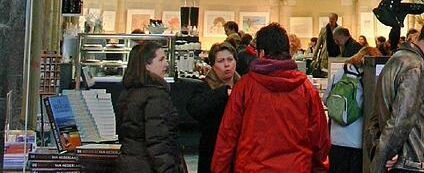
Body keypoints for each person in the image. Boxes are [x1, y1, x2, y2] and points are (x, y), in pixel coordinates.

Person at [211, 23, 330, 172]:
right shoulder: (306, 88)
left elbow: (228, 136)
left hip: (252, 168)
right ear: (288, 51)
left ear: (261, 53)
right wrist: (319, 168)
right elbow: (320, 138)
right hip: (296, 167)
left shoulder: (244, 87)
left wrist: (219, 169)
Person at [368, 17, 424, 173]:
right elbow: (400, 120)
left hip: (403, 161)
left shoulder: (396, 60)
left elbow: (377, 118)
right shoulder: (415, 68)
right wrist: (384, 157)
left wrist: (381, 153)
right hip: (412, 163)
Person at [116, 41, 186, 173]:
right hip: (148, 166)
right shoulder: (156, 95)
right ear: (147, 65)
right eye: (161, 59)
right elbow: (157, 141)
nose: (166, 64)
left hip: (129, 163)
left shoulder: (128, 93)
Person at [327, 46, 382, 173]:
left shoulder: (341, 71)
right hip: (358, 142)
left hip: (336, 140)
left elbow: (326, 99)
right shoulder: (370, 75)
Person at [187, 43, 240, 173]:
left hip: (239, 152)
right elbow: (194, 108)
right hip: (213, 152)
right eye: (221, 61)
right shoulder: (205, 87)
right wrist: (223, 93)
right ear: (212, 65)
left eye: (230, 59)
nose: (227, 65)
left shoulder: (243, 85)